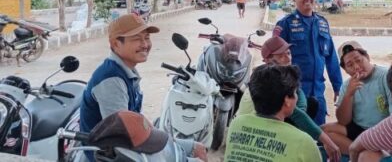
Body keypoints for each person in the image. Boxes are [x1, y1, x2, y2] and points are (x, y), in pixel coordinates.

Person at [79, 14, 207, 161]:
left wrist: (185, 146)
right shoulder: (111, 80)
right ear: (115, 44)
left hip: (129, 146)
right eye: (136, 39)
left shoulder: (126, 71)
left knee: (196, 148)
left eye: (146, 38)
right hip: (109, 155)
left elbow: (137, 128)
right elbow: (123, 139)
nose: (145, 44)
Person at [236, 36, 341, 162]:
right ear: (268, 60)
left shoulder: (270, 75)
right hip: (261, 130)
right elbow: (297, 113)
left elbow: (299, 93)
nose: (288, 58)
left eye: (289, 53)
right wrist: (327, 141)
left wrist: (298, 108)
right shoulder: (272, 81)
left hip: (254, 124)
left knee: (310, 103)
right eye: (281, 56)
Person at [273, 0, 343, 125]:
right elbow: (275, 59)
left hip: (318, 92)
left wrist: (338, 86)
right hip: (294, 93)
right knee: (293, 134)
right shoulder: (285, 24)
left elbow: (331, 58)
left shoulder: (322, 23)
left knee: (318, 134)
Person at [224, 64, 322, 162]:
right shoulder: (304, 142)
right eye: (295, 92)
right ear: (287, 100)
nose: (297, 97)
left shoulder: (236, 124)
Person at [321, 41, 392, 155]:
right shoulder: (348, 85)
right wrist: (349, 94)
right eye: (350, 65)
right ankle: (363, 153)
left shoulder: (386, 76)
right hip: (359, 129)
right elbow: (343, 121)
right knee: (322, 132)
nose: (356, 67)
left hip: (382, 132)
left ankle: (363, 153)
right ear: (345, 70)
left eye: (359, 60)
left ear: (367, 57)